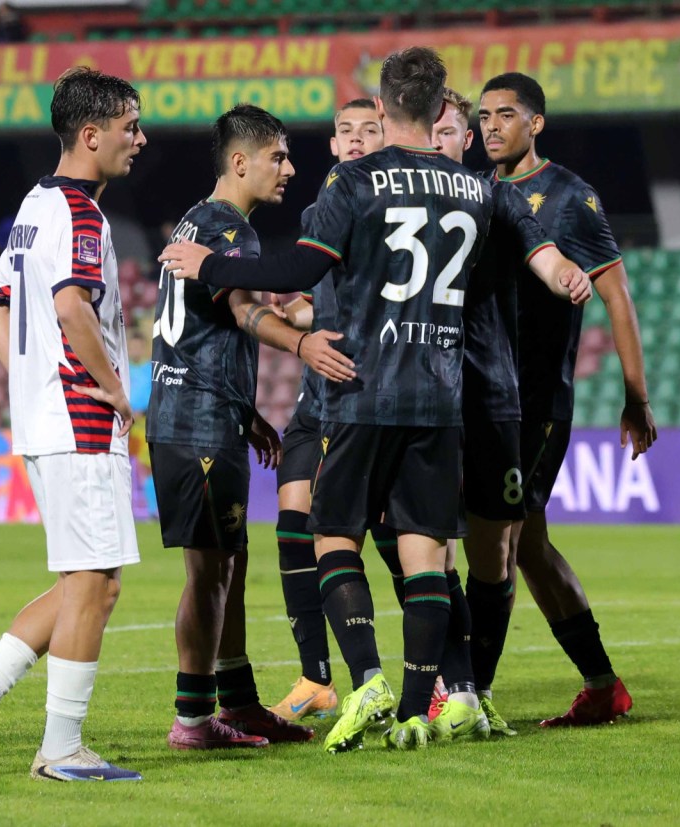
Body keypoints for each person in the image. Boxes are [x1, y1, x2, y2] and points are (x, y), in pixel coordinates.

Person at [161, 48, 588, 751]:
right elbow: (547, 262)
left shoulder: (353, 181)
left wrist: (213, 263)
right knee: (427, 554)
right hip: (441, 396)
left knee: (333, 537)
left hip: (363, 389)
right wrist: (567, 271)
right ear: (439, 109)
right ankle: (423, 709)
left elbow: (299, 267)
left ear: (384, 110)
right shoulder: (480, 189)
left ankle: (365, 682)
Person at [0, 67, 146, 782]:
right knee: (93, 582)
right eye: (130, 126)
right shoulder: (82, 215)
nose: (140, 140)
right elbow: (72, 309)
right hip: (82, 420)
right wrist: (117, 392)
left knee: (91, 581)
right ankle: (61, 748)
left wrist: (27, 380)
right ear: (92, 135)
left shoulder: (34, 207)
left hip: (48, 416)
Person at [147, 104, 354, 751]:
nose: (290, 168)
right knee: (209, 573)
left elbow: (203, 330)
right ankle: (192, 717)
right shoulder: (229, 231)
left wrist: (249, 411)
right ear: (240, 162)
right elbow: (240, 310)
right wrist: (301, 345)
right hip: (198, 425)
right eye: (278, 156)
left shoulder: (197, 222)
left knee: (228, 563)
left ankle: (236, 702)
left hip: (206, 416)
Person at [476, 72, 656, 727]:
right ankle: (602, 684)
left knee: (501, 538)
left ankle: (465, 690)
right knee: (525, 544)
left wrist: (635, 397)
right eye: (483, 117)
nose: (490, 126)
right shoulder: (479, 195)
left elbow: (617, 295)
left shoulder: (570, 197)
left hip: (537, 401)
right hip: (484, 396)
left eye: (504, 115)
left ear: (535, 123)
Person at [430, 87, 592, 737]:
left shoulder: (492, 197)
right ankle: (444, 686)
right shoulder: (384, 201)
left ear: (466, 142)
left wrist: (563, 275)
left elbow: (540, 250)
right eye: (428, 130)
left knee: (494, 555)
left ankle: (474, 687)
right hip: (422, 401)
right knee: (429, 548)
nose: (438, 142)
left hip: (493, 398)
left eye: (449, 133)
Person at [268, 98, 406, 723]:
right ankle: (316, 678)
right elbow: (316, 304)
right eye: (344, 131)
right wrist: (287, 320)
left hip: (372, 397)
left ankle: (431, 675)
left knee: (390, 539)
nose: (355, 140)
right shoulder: (320, 210)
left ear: (390, 137)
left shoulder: (401, 213)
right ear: (330, 145)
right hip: (317, 399)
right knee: (294, 527)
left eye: (368, 130)